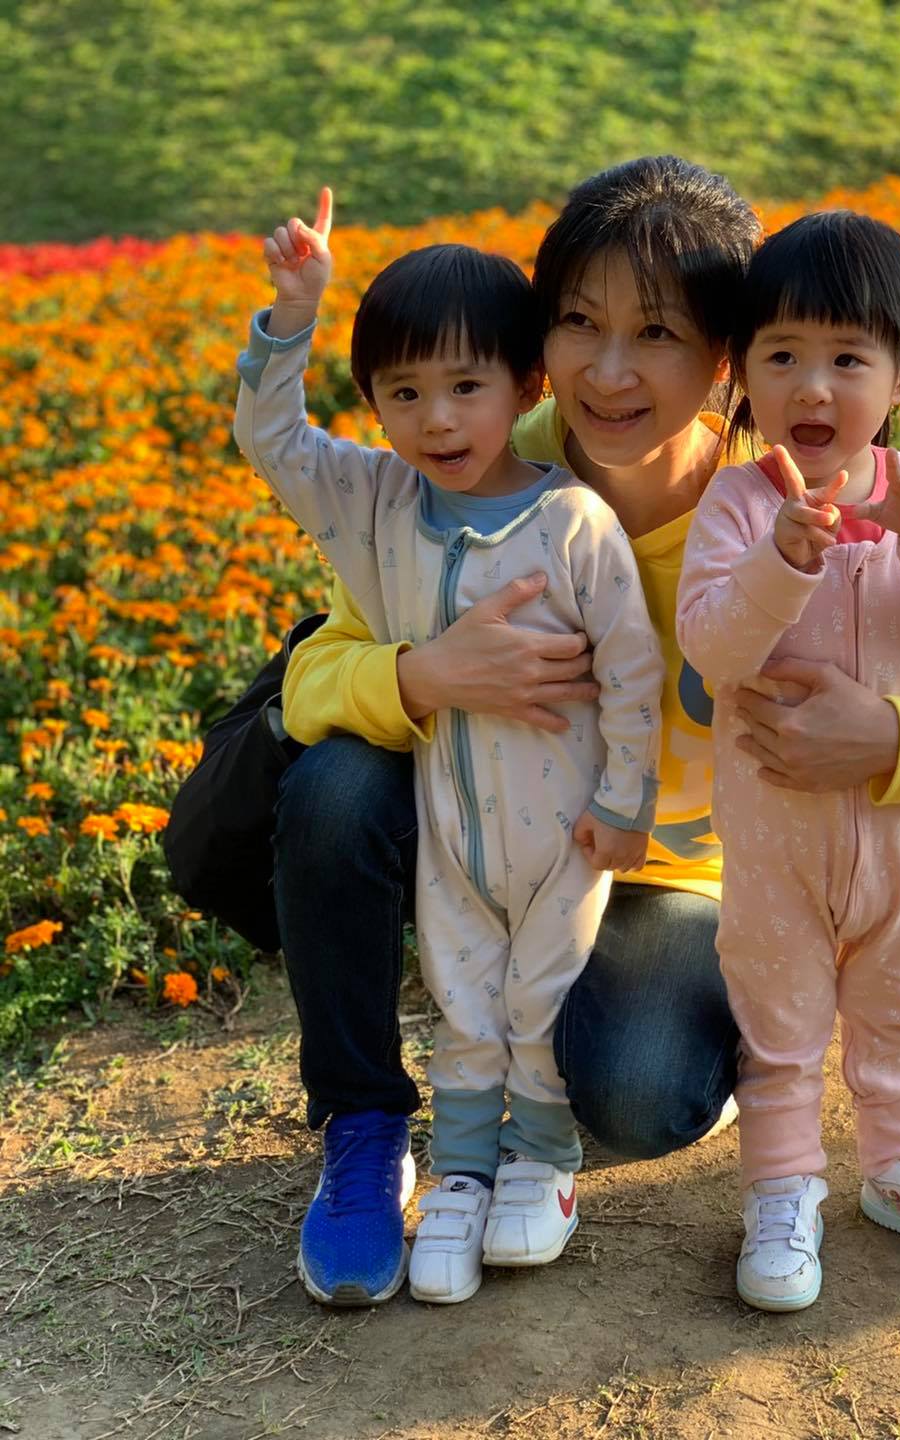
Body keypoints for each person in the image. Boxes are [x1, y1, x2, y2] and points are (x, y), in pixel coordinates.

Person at [271, 157, 900, 1310]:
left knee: (641, 1094)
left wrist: (894, 739)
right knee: (339, 785)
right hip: (503, 840)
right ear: (539, 337)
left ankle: (669, 1046)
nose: (609, 373)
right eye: (579, 324)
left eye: (656, 333)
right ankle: (362, 1126)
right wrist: (423, 674)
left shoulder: (784, 502)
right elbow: (313, 676)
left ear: (725, 356)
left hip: (680, 882)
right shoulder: (481, 464)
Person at [234, 189, 664, 1305]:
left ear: (526, 387)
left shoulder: (570, 521)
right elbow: (270, 439)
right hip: (448, 828)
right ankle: (459, 1170)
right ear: (374, 402)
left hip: (566, 830)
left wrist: (625, 799)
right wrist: (294, 313)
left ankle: (543, 1161)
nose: (436, 420)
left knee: (540, 992)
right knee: (465, 997)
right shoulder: (379, 501)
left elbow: (632, 667)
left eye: (467, 387)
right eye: (405, 393)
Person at [676, 210, 900, 1313]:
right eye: (781, 356)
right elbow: (713, 647)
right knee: (777, 1024)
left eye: (847, 359)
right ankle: (782, 1190)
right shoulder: (739, 504)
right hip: (775, 844)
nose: (812, 387)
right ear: (742, 372)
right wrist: (779, 563)